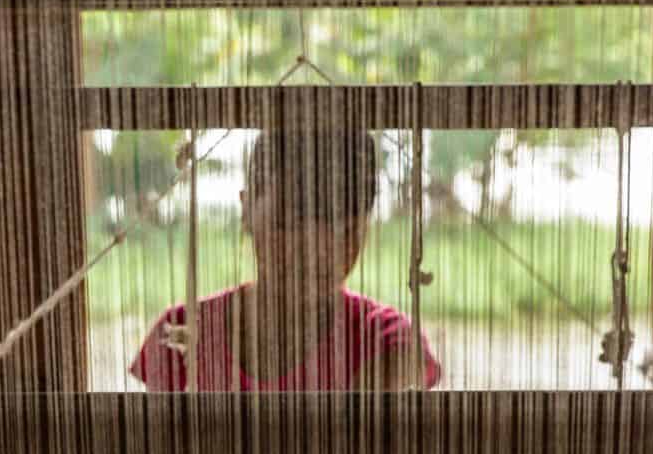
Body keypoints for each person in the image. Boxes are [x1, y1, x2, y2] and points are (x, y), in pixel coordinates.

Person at [129, 126, 441, 392]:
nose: (316, 249)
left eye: (343, 228)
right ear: (247, 208)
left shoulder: (389, 342)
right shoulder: (178, 333)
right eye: (289, 221)